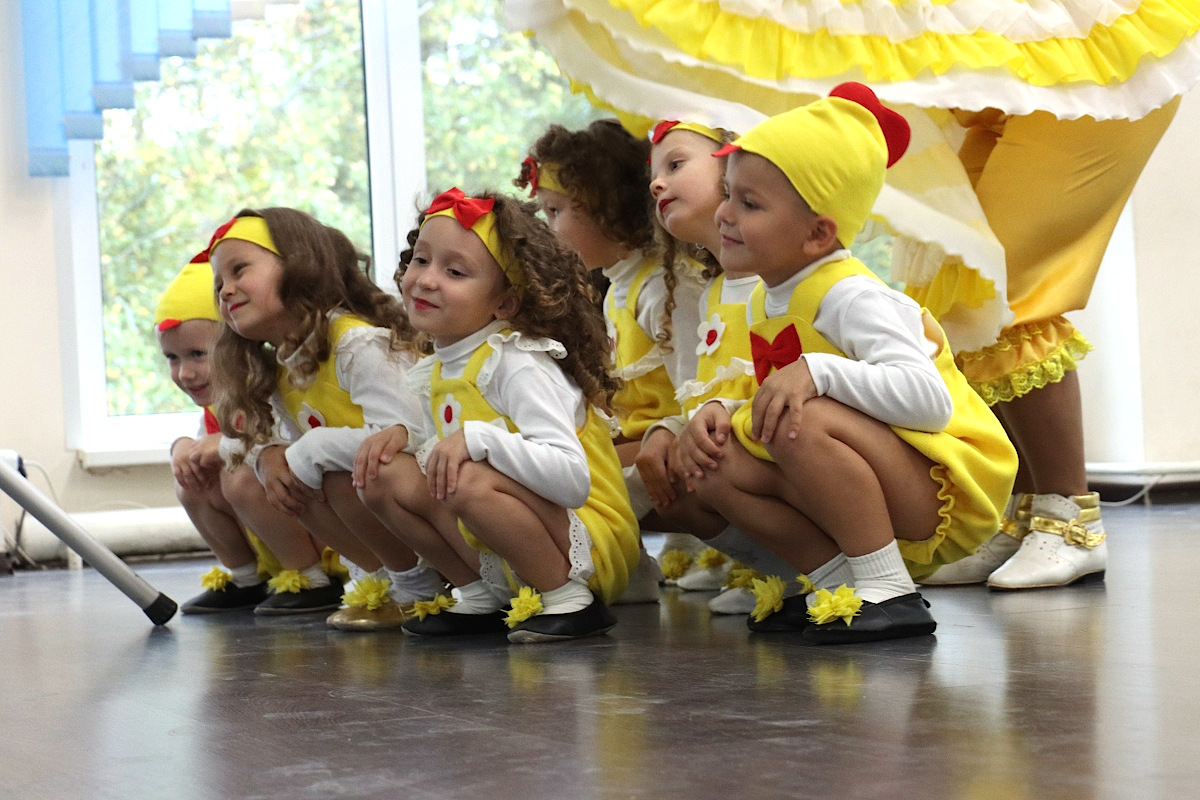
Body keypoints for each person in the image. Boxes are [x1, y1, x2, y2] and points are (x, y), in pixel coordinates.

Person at [509, 0, 1198, 592]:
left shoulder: (832, 290)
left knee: (1010, 289)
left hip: (1087, 58)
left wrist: (815, 375)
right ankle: (1020, 513)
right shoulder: (741, 289)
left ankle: (1069, 515)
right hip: (999, 77)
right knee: (963, 292)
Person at [678, 84, 1017, 643]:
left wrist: (820, 372)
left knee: (801, 417)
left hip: (941, 492)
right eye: (728, 194)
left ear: (818, 234)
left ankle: (890, 590)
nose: (724, 214)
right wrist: (719, 407)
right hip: (869, 480)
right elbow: (773, 389)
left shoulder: (851, 295)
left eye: (750, 204)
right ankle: (832, 584)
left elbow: (929, 402)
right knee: (711, 463)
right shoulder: (765, 297)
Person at [355, 189, 640, 643]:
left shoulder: (517, 362)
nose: (426, 279)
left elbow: (572, 478)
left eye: (454, 272)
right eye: (421, 260)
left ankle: (570, 600)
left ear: (505, 303)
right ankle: (481, 594)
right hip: (511, 539)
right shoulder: (440, 367)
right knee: (381, 474)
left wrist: (481, 440)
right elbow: (444, 448)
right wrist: (404, 436)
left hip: (588, 542)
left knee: (467, 477)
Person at [204, 208, 444, 627]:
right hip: (382, 495)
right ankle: (381, 581)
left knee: (333, 473)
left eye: (239, 270)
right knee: (290, 476)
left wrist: (308, 450)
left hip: (431, 492)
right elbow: (269, 441)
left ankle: (421, 587)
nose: (226, 290)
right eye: (219, 282)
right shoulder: (281, 363)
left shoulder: (356, 343)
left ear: (299, 264)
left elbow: (410, 435)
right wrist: (268, 455)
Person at [515, 119, 709, 598]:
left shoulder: (663, 288)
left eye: (556, 211)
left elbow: (700, 388)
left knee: (570, 476)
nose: (549, 228)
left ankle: (605, 572)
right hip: (641, 438)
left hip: (675, 442)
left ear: (607, 208)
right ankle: (629, 568)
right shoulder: (620, 285)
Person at [645, 118, 802, 615]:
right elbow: (703, 389)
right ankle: (780, 571)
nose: (657, 183)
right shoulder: (713, 293)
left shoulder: (778, 283)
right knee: (673, 477)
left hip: (792, 441)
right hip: (746, 441)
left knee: (706, 465)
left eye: (675, 164)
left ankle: (823, 566)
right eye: (654, 174)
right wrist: (667, 431)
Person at [154, 258, 297, 614]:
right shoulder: (219, 402)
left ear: (238, 345)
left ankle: (310, 577)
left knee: (239, 477)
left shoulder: (273, 387)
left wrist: (227, 445)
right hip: (271, 523)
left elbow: (290, 448)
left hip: (310, 521)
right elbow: (206, 443)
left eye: (197, 354)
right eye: (172, 358)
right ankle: (247, 578)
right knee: (192, 482)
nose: (185, 373)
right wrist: (183, 448)